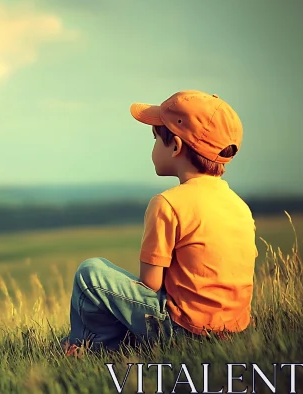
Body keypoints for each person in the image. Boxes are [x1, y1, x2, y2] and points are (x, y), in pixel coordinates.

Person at [61, 90, 258, 356]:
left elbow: (151, 283)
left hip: (185, 330)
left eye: (155, 139)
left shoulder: (167, 203)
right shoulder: (239, 206)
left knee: (91, 273)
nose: (153, 147)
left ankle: (91, 347)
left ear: (175, 147)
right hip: (232, 330)